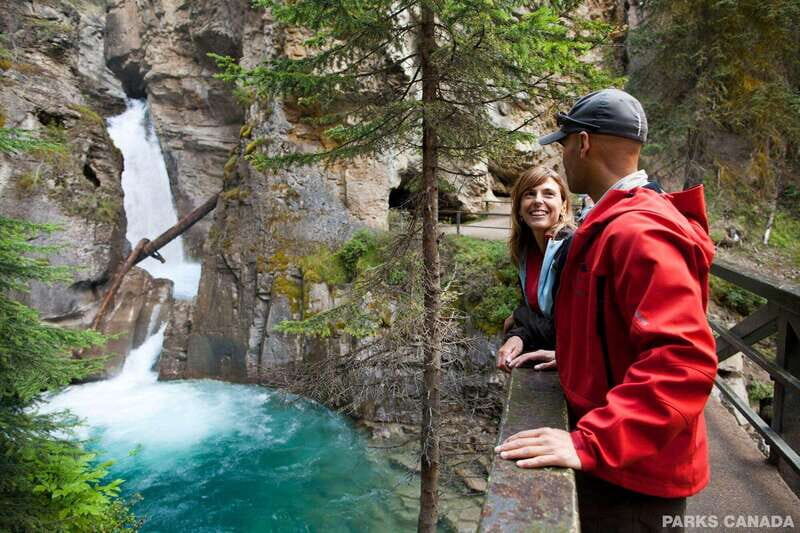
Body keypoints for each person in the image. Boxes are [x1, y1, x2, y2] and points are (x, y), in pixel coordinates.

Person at [494, 89, 717, 532]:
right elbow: (617, 326)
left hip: (632, 474)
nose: (563, 156)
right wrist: (577, 357)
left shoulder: (637, 230)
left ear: (583, 143)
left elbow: (684, 361)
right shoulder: (616, 221)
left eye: (563, 144)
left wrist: (593, 443)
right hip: (624, 458)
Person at [496, 166, 574, 373]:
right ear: (519, 208)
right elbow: (535, 313)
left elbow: (562, 325)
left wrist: (519, 317)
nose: (538, 200)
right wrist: (518, 334)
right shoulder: (525, 252)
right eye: (529, 194)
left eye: (548, 194)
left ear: (563, 206)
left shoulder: (570, 248)